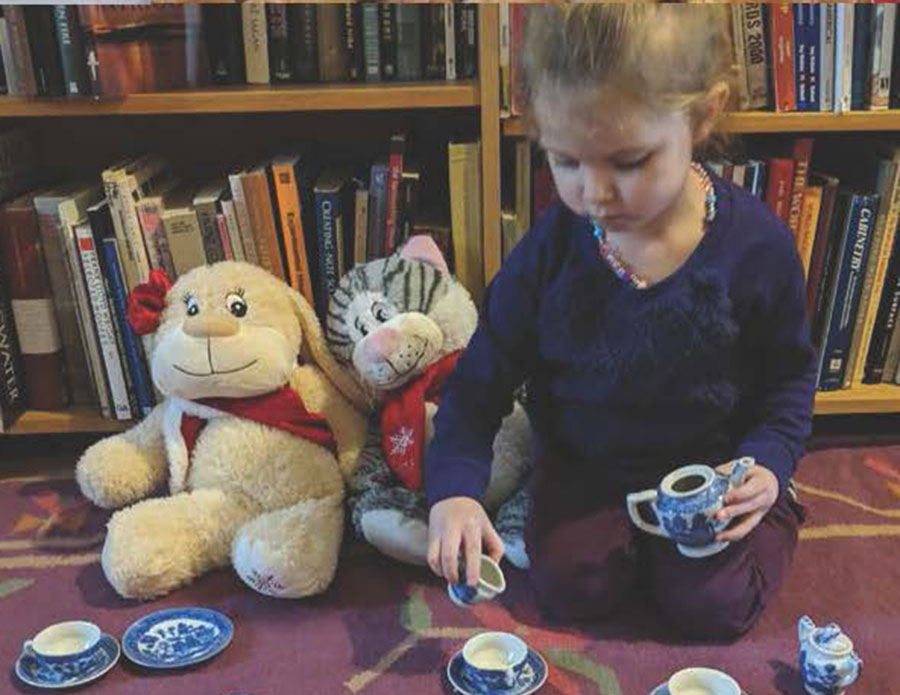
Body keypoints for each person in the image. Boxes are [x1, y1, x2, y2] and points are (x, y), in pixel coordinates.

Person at [425, 3, 815, 640]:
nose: (594, 194)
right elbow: (479, 382)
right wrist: (453, 493)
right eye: (567, 162)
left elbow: (789, 384)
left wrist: (767, 467)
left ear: (702, 115)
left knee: (711, 609)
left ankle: (778, 512)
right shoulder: (552, 250)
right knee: (571, 586)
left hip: (714, 473)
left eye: (628, 162)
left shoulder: (757, 247)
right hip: (590, 464)